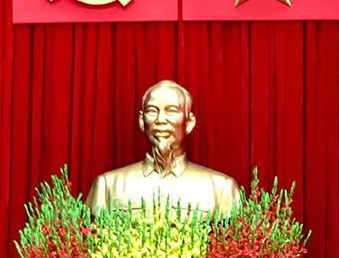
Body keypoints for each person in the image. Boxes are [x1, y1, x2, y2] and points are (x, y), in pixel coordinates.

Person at [86, 80, 239, 214]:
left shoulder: (221, 188)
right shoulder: (107, 185)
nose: (160, 119)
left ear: (189, 123)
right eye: (152, 111)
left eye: (171, 111)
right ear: (142, 121)